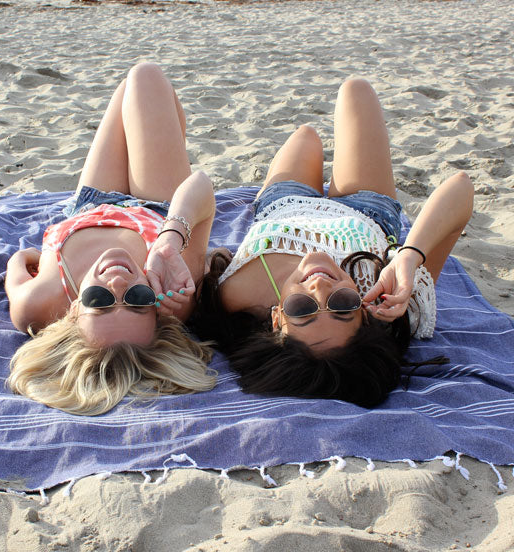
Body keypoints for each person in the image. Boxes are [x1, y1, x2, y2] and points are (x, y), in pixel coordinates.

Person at [196, 78, 474, 407]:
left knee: (306, 136)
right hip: (366, 206)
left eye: (303, 310)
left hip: (283, 204)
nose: (320, 288)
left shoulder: (231, 298)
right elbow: (461, 188)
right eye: (343, 306)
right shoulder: (389, 298)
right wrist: (409, 257)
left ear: (276, 319)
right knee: (355, 90)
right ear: (365, 316)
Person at [5, 62, 217, 415]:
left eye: (99, 299)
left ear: (72, 313)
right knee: (145, 77)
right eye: (136, 298)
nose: (118, 283)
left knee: (126, 93)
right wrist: (170, 238)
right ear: (156, 312)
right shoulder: (172, 284)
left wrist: (40, 262)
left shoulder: (36, 303)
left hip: (90, 204)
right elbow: (202, 186)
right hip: (158, 207)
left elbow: (16, 264)